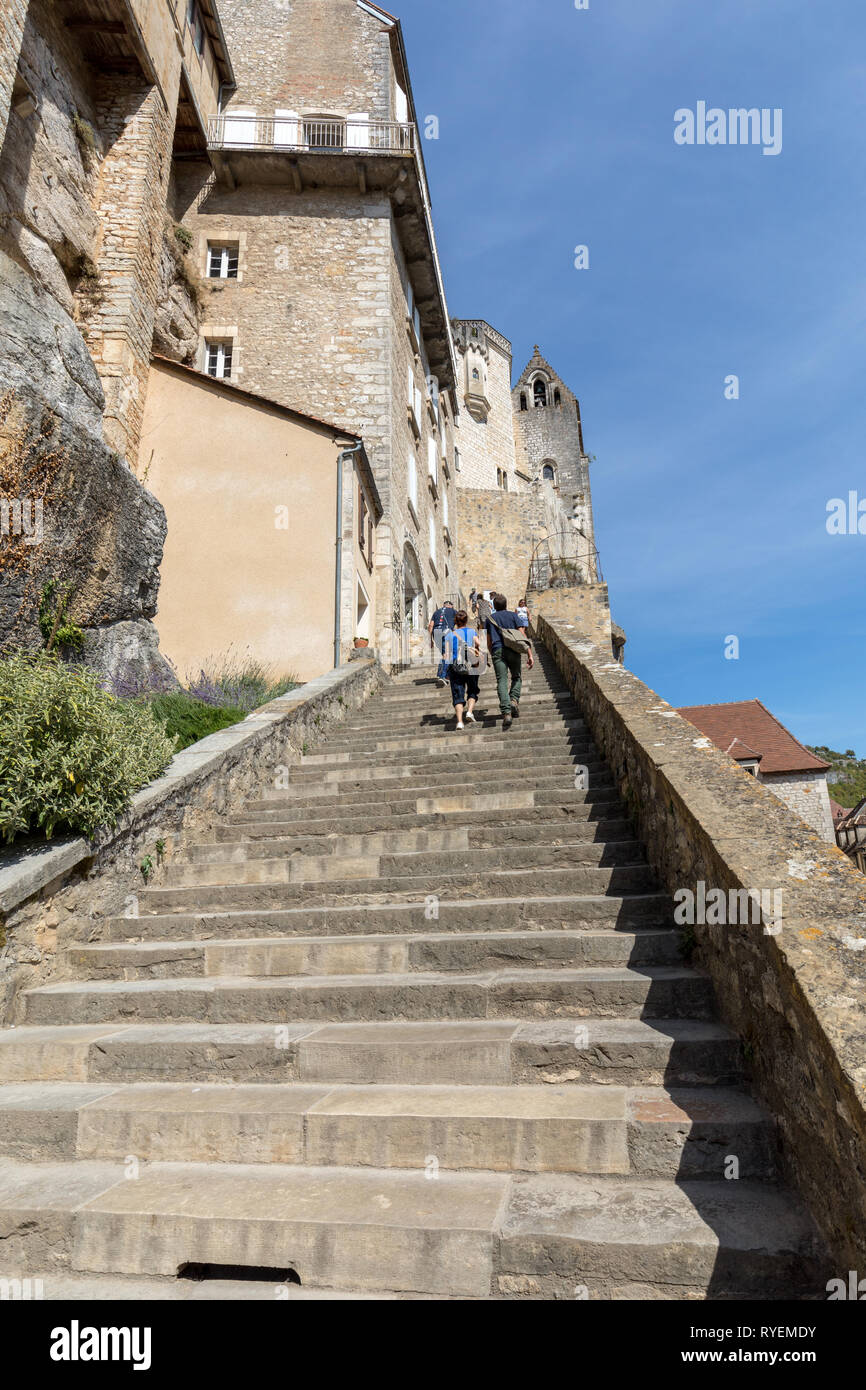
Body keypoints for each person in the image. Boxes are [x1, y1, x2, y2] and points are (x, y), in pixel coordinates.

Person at [486, 592, 533, 729]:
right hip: (513, 650)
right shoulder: (514, 616)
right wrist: (529, 653)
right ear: (506, 605)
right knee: (517, 677)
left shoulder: (490, 619)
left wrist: (492, 652)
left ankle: (506, 712)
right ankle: (513, 700)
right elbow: (522, 635)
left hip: (497, 650)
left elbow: (488, 640)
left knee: (501, 681)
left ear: (494, 605)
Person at [444, 610, 481, 730]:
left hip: (455, 668)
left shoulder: (450, 635)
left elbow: (447, 656)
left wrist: (446, 672)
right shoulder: (471, 631)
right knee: (472, 690)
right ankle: (469, 712)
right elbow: (479, 644)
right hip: (471, 666)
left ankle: (459, 722)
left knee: (457, 695)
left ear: (456, 621)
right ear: (466, 620)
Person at [428, 599, 456, 685]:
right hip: (446, 632)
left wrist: (430, 640)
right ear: (450, 606)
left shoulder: (436, 612)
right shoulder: (453, 611)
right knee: (447, 654)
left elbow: (430, 625)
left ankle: (444, 675)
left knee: (445, 654)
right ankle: (442, 675)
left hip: (436, 634)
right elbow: (459, 623)